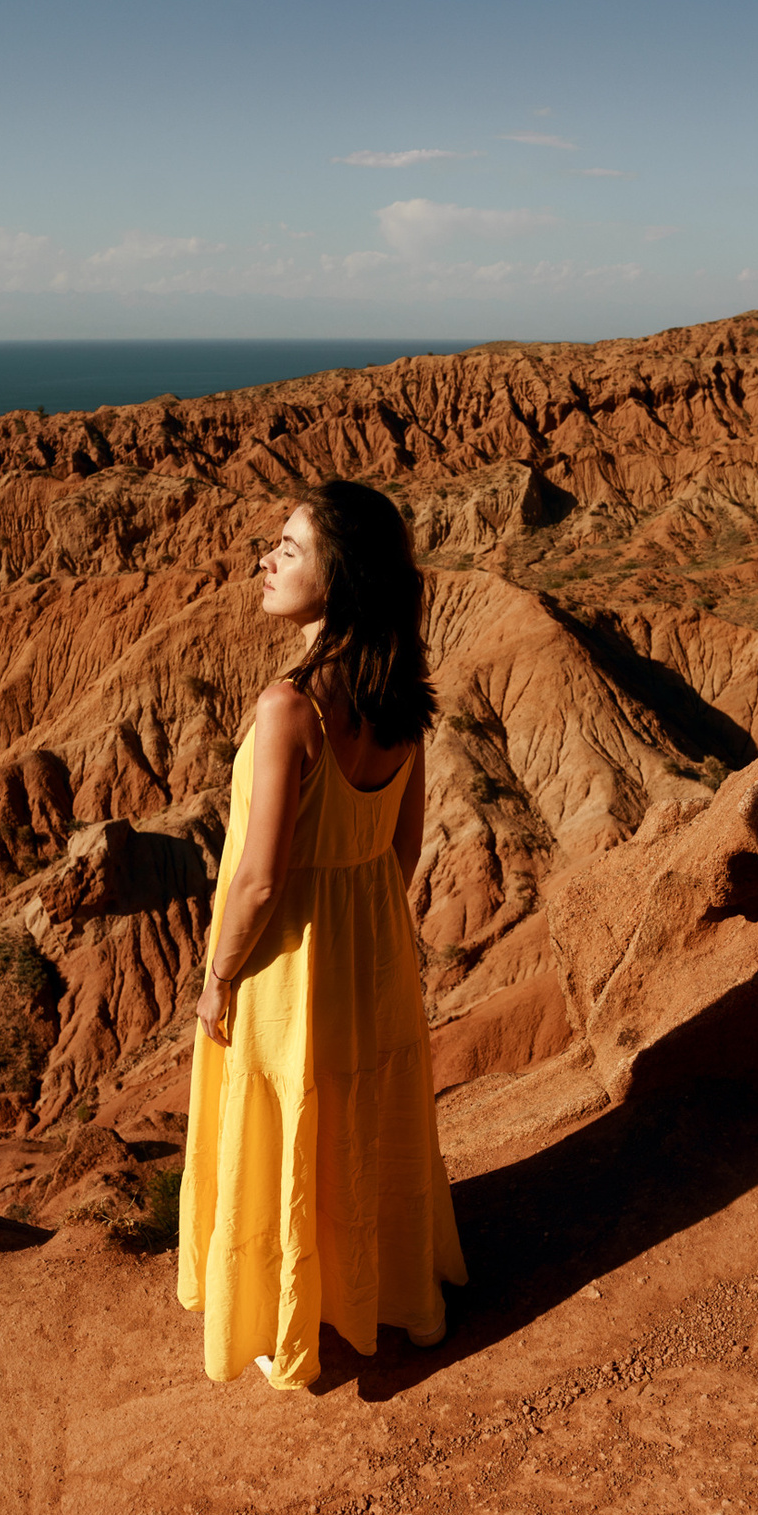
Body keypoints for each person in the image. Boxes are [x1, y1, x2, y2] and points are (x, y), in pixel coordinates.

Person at [177, 479, 468, 1391]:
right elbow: (407, 844)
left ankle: (285, 1320)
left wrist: (219, 974)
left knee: (283, 1124)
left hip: (287, 962)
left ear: (337, 580)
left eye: (291, 550)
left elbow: (260, 877)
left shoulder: (289, 706)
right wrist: (365, 918)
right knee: (356, 1117)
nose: (267, 561)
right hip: (372, 948)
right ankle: (383, 1291)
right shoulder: (399, 694)